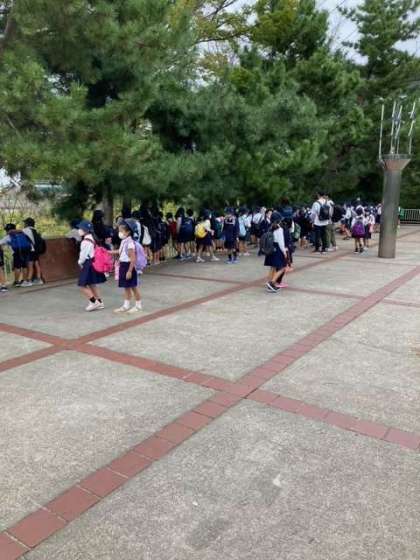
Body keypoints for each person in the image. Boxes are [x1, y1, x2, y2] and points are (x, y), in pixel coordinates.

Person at [111, 221, 142, 314]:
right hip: (123, 265)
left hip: (129, 266)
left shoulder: (130, 243)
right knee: (126, 286)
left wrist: (129, 271)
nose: (119, 233)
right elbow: (120, 251)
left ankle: (138, 305)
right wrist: (108, 252)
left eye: (121, 231)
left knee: (133, 287)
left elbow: (133, 258)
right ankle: (126, 305)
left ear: (128, 232)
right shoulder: (124, 241)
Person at [77, 220, 106, 311]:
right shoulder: (93, 238)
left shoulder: (85, 241)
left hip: (88, 264)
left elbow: (83, 256)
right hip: (93, 262)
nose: (79, 230)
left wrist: (79, 262)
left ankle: (94, 302)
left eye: (80, 228)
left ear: (86, 230)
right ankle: (100, 302)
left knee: (82, 285)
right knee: (92, 284)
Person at [264, 212, 288, 293]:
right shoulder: (279, 229)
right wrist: (284, 252)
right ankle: (272, 283)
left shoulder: (270, 227)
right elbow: (281, 243)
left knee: (273, 267)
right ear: (278, 220)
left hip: (271, 248)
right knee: (282, 267)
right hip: (277, 249)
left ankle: (269, 284)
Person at [23, 218, 45, 285]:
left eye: (25, 223)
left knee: (30, 265)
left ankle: (28, 280)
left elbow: (19, 231)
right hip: (36, 250)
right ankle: (39, 279)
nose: (24, 224)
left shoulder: (27, 229)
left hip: (31, 250)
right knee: (36, 264)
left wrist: (12, 230)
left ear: (27, 224)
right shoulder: (34, 230)